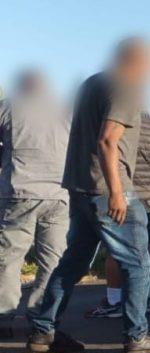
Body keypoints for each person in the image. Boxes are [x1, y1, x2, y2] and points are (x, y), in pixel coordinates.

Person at [28, 37, 150, 353]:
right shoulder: (126, 85)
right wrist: (117, 193)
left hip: (80, 188)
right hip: (107, 189)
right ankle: (137, 336)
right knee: (138, 264)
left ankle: (44, 330)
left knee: (72, 263)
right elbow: (108, 140)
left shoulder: (91, 84)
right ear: (138, 61)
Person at [0, 71, 70, 338]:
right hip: (59, 194)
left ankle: (4, 316)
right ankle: (42, 318)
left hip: (19, 190)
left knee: (10, 257)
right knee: (53, 258)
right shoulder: (66, 110)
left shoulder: (8, 106)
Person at [85, 112, 150, 318]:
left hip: (121, 194)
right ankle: (147, 298)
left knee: (115, 248)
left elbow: (103, 152)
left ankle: (114, 300)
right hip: (149, 198)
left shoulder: (117, 124)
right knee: (149, 246)